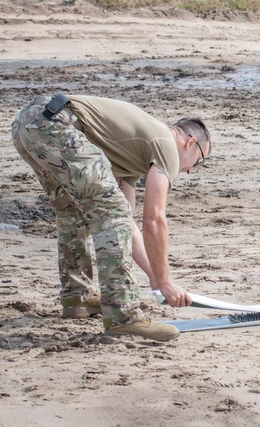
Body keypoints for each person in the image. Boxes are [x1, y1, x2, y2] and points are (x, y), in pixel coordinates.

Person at [11, 94, 210, 340]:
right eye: (199, 162)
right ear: (190, 143)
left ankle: (78, 296)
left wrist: (154, 277)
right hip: (58, 125)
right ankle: (123, 316)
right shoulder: (167, 145)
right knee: (110, 213)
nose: (190, 171)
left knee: (74, 213)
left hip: (28, 124)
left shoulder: (131, 157)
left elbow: (127, 222)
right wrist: (167, 282)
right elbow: (153, 220)